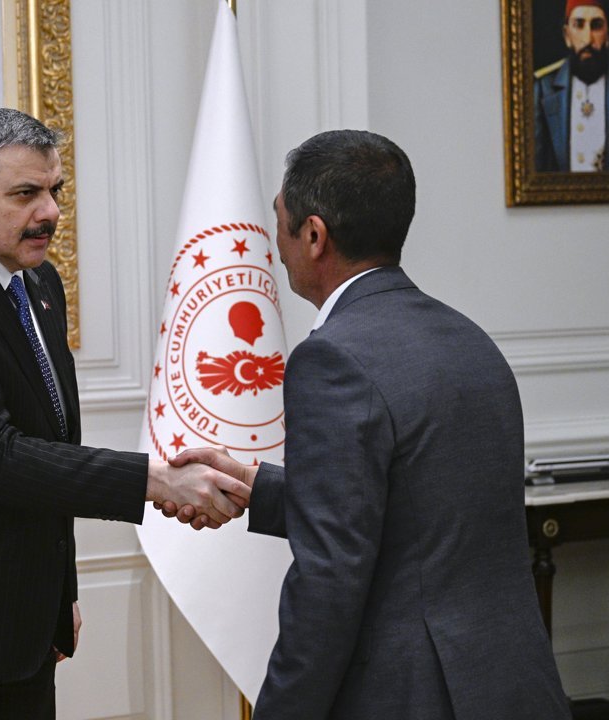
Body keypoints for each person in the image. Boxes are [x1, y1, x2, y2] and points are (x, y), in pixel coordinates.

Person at [0, 107, 250, 719]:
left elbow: (51, 443)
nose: (50, 212)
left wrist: (59, 595)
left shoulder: (39, 284)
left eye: (55, 190)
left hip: (23, 621)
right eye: (25, 194)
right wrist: (157, 479)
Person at [163, 130, 571, 719]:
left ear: (314, 235)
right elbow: (422, 512)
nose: (275, 243)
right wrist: (261, 488)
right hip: (512, 682)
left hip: (417, 693)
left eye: (279, 220)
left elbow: (329, 581)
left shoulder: (333, 359)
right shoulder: (470, 338)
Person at [534, 0, 609, 172]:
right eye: (579, 25)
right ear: (567, 36)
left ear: (608, 36)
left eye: (596, 26)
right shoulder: (543, 89)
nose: (588, 39)